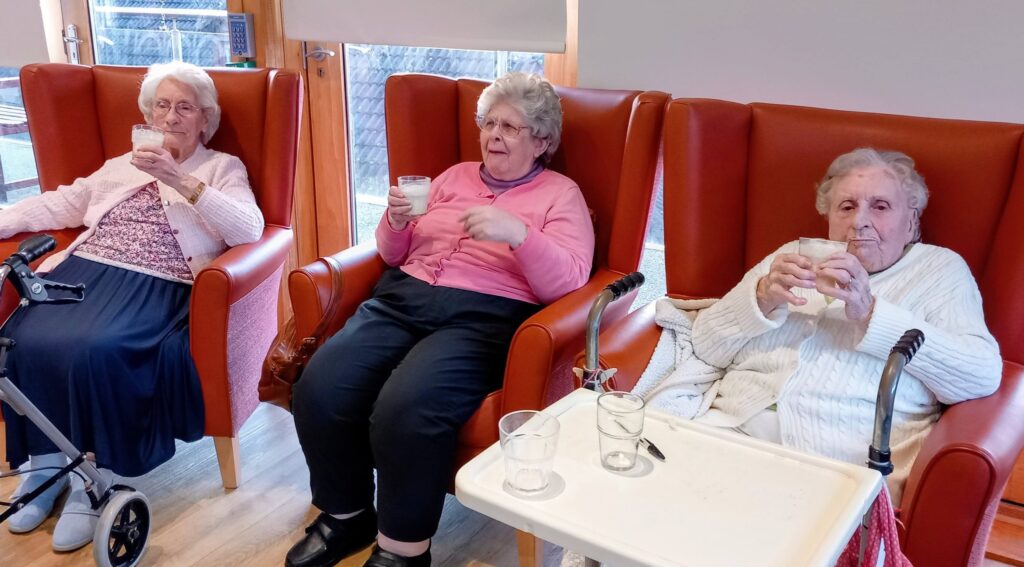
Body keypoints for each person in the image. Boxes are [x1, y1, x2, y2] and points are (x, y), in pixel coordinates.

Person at [287, 72, 594, 567]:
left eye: (511, 128)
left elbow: (570, 281)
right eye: (488, 123)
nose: (494, 135)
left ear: (543, 141)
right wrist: (396, 222)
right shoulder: (453, 177)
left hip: (484, 316)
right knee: (320, 385)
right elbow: (391, 254)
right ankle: (346, 515)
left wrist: (519, 234)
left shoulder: (561, 195)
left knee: (406, 409)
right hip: (403, 297)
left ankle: (403, 549)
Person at [0, 61, 263, 551]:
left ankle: (93, 481)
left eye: (185, 107)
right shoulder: (122, 163)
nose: (171, 116)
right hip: (86, 268)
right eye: (161, 105)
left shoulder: (221, 167)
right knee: (20, 340)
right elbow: (68, 202)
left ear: (205, 119)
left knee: (97, 350)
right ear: (147, 114)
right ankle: (46, 466)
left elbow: (248, 229)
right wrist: (6, 218)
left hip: (156, 283)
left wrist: (180, 178)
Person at [684, 147, 1002, 504]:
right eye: (847, 207)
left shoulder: (939, 270)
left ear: (911, 221)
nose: (859, 221)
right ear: (829, 218)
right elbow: (705, 344)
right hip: (728, 429)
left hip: (834, 463)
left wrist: (870, 313)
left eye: (880, 207)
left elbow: (980, 376)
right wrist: (760, 298)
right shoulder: (790, 257)